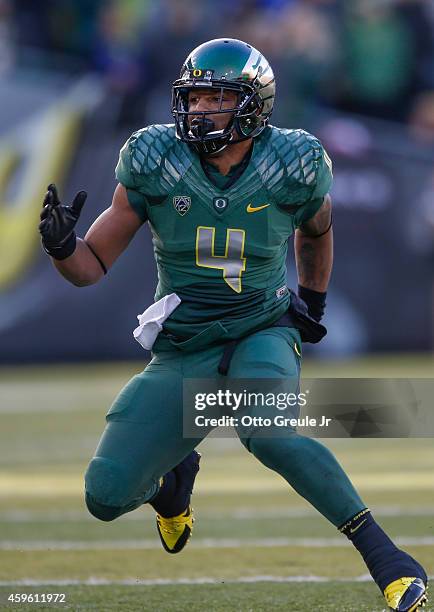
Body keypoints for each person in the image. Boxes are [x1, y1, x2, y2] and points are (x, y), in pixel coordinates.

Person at [38, 38, 427, 611]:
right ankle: (170, 486)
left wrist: (310, 306)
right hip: (183, 344)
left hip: (259, 329)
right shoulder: (153, 158)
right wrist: (62, 247)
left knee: (268, 431)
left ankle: (387, 558)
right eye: (194, 98)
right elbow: (91, 267)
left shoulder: (292, 162)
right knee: (105, 495)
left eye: (217, 98)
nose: (199, 110)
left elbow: (317, 229)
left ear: (252, 105)